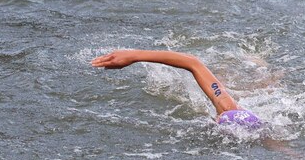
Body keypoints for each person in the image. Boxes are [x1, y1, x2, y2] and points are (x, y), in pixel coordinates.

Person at [91, 49, 263, 129]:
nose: (218, 118)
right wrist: (134, 55)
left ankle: (257, 63)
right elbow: (192, 62)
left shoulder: (226, 112)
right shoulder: (228, 108)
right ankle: (255, 62)